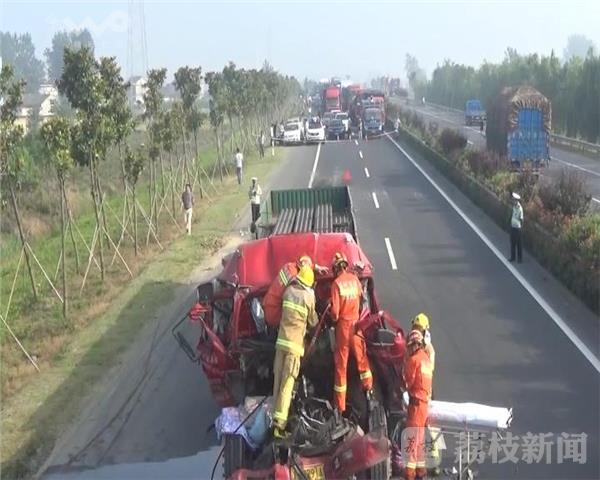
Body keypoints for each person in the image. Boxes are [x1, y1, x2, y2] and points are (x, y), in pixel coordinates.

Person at [272, 265, 318, 438]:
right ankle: (279, 425)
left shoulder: (288, 291)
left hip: (280, 344)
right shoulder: (308, 297)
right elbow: (313, 321)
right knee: (287, 384)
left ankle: (273, 418)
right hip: (294, 347)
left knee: (277, 382)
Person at [330, 252, 373, 413]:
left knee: (341, 366)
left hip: (343, 328)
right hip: (356, 325)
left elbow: (334, 313)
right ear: (345, 266)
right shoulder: (355, 280)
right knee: (362, 359)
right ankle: (368, 388)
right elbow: (363, 300)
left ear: (335, 268)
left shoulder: (336, 284)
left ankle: (339, 406)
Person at [263, 255, 327, 328]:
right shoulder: (294, 280)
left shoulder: (289, 266)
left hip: (268, 302)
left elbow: (303, 267)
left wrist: (314, 267)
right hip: (275, 312)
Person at [403, 329, 434, 480]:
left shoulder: (413, 360)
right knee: (420, 441)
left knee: (410, 441)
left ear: (415, 345)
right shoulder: (426, 360)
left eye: (409, 346)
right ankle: (421, 474)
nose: (408, 349)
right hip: (424, 406)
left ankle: (409, 475)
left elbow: (407, 382)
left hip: (415, 406)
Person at [509, 192, 523, 263]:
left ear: (517, 200)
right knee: (512, 243)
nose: (513, 201)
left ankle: (520, 258)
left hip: (517, 228)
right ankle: (512, 257)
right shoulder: (514, 207)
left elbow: (521, 219)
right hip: (512, 227)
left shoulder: (520, 208)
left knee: (518, 244)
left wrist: (520, 227)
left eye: (514, 200)